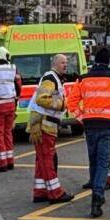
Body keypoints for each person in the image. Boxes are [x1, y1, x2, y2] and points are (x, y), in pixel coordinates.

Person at [76, 49, 110, 217]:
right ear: (109, 62)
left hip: (89, 125)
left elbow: (71, 101)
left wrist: (81, 118)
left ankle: (94, 187)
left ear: (94, 61)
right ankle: (97, 196)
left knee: (93, 160)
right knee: (102, 162)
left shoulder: (83, 79)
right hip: (107, 126)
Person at [27, 53, 73, 204]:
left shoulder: (55, 78)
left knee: (42, 160)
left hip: (46, 124)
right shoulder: (50, 79)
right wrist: (61, 104)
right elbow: (42, 99)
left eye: (66, 62)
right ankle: (55, 193)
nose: (65, 65)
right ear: (55, 64)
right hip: (44, 125)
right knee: (47, 159)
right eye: (62, 62)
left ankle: (40, 192)